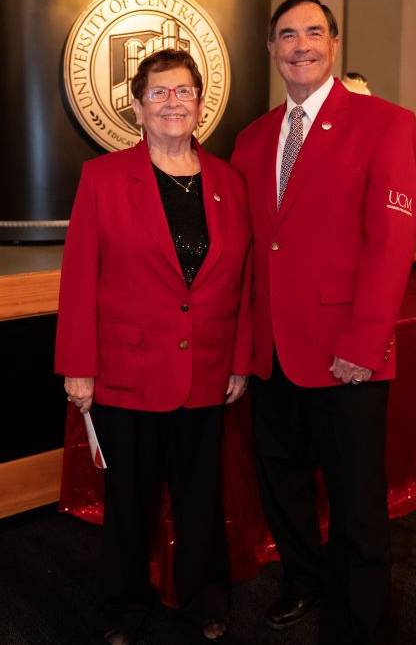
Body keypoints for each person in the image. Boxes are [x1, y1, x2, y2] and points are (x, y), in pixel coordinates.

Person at [231, 0, 416, 645]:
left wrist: (364, 342)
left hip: (348, 353)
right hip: (271, 351)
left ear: (334, 44)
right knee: (282, 486)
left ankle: (360, 616)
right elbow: (253, 251)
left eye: (313, 32)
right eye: (287, 34)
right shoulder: (252, 139)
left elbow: (392, 242)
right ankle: (303, 578)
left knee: (357, 501)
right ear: (272, 48)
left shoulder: (385, 122)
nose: (300, 44)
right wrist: (241, 352)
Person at [55, 48, 252, 645]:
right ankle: (122, 605)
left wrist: (239, 360)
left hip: (207, 370)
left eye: (183, 91)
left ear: (200, 103)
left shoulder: (229, 180)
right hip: (125, 371)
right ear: (137, 107)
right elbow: (79, 275)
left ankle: (203, 596)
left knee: (199, 497)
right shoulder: (104, 177)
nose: (173, 102)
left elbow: (243, 281)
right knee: (130, 502)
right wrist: (78, 370)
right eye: (160, 93)